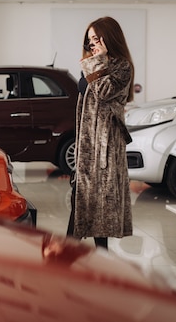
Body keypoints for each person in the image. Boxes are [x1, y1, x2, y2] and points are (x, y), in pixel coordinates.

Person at [66, 16, 134, 250]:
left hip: (105, 144)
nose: (92, 44)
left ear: (109, 37)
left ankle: (68, 256)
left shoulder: (122, 66)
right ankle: (94, 257)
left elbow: (104, 92)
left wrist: (99, 63)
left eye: (96, 38)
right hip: (87, 143)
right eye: (89, 40)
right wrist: (96, 62)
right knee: (83, 201)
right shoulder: (92, 64)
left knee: (96, 204)